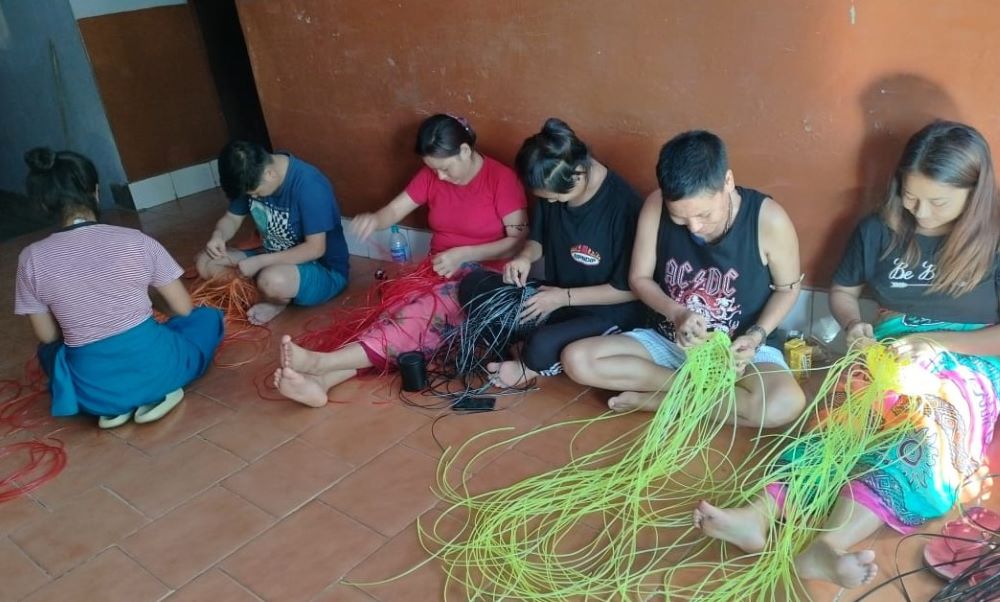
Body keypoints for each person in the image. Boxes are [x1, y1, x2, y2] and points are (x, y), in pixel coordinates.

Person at [693, 120, 1000, 589]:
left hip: (968, 356)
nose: (920, 212)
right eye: (911, 196)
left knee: (925, 426)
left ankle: (829, 545)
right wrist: (854, 323)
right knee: (844, 414)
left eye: (938, 201)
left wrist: (939, 345)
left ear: (974, 193)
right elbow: (843, 291)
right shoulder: (880, 227)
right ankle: (758, 512)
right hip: (891, 343)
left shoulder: (994, 240)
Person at [273, 114, 528, 406]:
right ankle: (324, 381)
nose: (440, 177)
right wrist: (374, 219)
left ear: (466, 151)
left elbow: (517, 243)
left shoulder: (501, 179)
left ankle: (322, 365)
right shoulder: (431, 175)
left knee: (417, 318)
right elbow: (393, 211)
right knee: (392, 313)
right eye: (434, 170)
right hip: (437, 270)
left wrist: (465, 254)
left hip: (482, 280)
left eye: (445, 168)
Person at [562, 130, 805, 427]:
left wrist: (755, 336)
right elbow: (639, 279)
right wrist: (676, 313)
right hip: (670, 342)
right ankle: (692, 393)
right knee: (577, 360)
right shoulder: (655, 206)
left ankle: (660, 400)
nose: (693, 227)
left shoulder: (768, 220)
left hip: (738, 351)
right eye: (680, 218)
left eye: (704, 214)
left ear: (727, 182)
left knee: (784, 404)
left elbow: (788, 289)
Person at [15, 148, 223, 428]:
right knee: (206, 319)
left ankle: (114, 407)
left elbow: (48, 334)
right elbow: (182, 308)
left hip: (93, 394)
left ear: (44, 205)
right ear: (96, 192)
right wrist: (143, 298)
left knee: (49, 353)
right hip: (160, 370)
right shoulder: (135, 240)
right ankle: (154, 391)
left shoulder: (31, 258)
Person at [458, 118, 645, 387]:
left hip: (607, 311)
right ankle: (527, 350)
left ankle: (529, 358)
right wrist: (524, 258)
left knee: (540, 346)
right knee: (473, 286)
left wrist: (563, 298)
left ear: (579, 172)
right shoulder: (551, 182)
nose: (551, 203)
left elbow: (629, 289)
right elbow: (538, 240)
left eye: (556, 198)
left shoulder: (624, 207)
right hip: (555, 296)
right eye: (545, 198)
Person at [195, 141, 349, 324]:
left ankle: (274, 300)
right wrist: (218, 235)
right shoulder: (250, 172)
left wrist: (260, 262)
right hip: (272, 256)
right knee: (204, 261)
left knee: (272, 280)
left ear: (270, 173)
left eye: (256, 193)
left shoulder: (310, 186)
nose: (254, 197)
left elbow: (315, 249)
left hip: (323, 269)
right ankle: (265, 292)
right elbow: (232, 219)